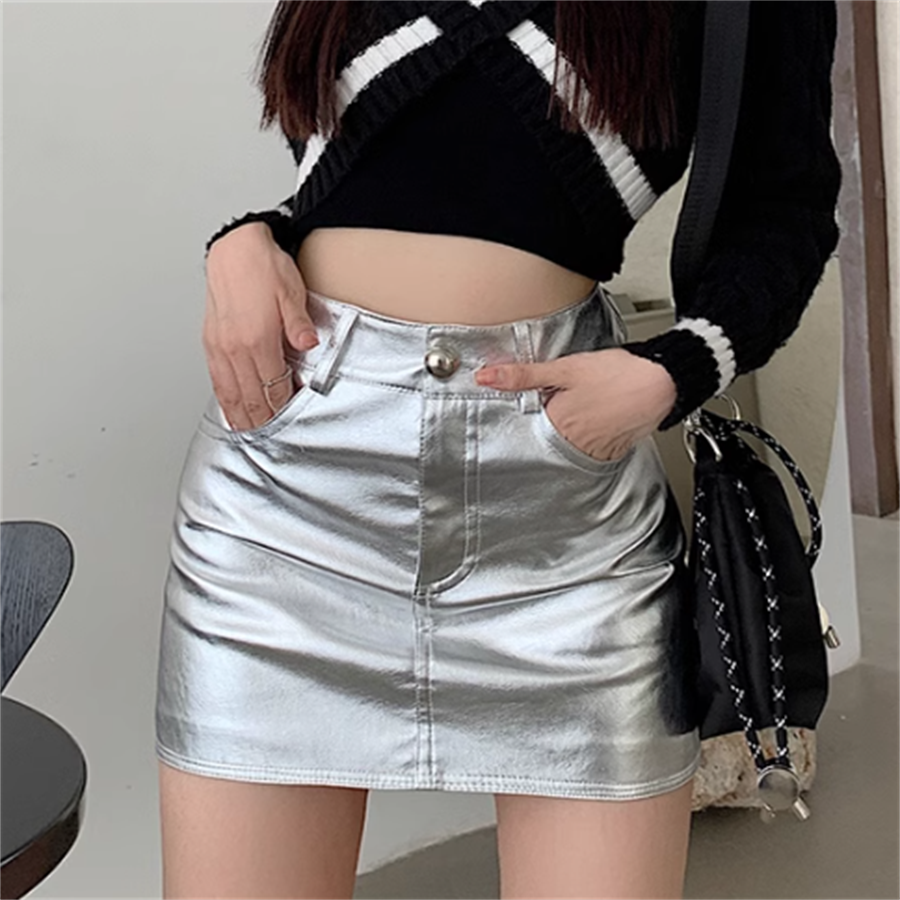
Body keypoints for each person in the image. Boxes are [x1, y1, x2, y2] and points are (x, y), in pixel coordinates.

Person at [154, 1, 841, 897]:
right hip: (284, 506)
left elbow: (785, 205)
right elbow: (380, 167)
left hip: (565, 519)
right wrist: (252, 239)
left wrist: (673, 371)